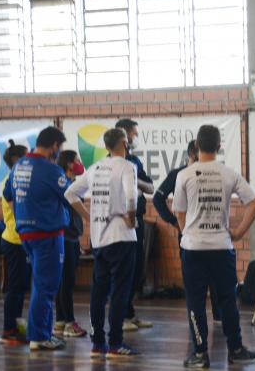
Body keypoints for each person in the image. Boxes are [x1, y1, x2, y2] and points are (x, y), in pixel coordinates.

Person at [173, 125, 255, 368]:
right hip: (222, 248)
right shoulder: (228, 173)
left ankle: (200, 354)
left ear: (196, 146)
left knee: (196, 302)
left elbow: (179, 213)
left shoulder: (185, 175)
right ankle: (235, 349)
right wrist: (238, 233)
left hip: (193, 249)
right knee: (227, 300)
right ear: (219, 146)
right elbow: (254, 203)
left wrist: (189, 234)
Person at [65, 128, 140, 359]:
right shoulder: (127, 167)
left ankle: (98, 344)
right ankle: (116, 343)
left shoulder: (95, 168)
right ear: (123, 144)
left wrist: (88, 216)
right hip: (121, 238)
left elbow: (70, 194)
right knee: (120, 292)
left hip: (99, 239)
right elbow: (131, 196)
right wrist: (131, 217)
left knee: (98, 292)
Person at [3, 126, 70, 351]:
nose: (58, 153)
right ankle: (39, 336)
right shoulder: (51, 171)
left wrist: (26, 213)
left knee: (40, 285)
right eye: (58, 148)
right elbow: (69, 195)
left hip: (25, 235)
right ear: (54, 146)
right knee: (46, 287)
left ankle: (41, 333)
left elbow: (8, 195)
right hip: (48, 235)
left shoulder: (19, 166)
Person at [152, 140, 221, 322]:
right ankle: (196, 316)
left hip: (211, 231)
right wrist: (173, 221)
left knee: (215, 273)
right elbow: (157, 199)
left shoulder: (212, 173)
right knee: (193, 277)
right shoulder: (179, 175)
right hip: (188, 233)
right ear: (192, 154)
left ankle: (218, 314)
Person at [115, 118, 154, 331]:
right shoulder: (110, 163)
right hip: (121, 223)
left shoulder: (135, 162)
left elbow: (150, 188)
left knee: (137, 269)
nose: (135, 138)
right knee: (123, 271)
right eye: (133, 134)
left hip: (137, 221)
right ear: (124, 135)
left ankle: (129, 313)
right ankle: (119, 318)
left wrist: (135, 180)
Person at [53, 150, 87, 338]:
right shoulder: (64, 184)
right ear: (68, 164)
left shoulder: (72, 183)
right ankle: (69, 322)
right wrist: (89, 217)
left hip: (71, 237)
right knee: (66, 281)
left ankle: (60, 320)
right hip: (65, 237)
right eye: (77, 161)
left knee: (63, 280)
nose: (80, 164)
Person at [0, 140, 29, 345]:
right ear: (17, 160)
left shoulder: (17, 180)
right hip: (14, 241)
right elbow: (19, 211)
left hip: (22, 242)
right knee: (15, 288)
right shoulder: (11, 182)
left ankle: (16, 328)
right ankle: (8, 330)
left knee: (21, 288)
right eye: (26, 157)